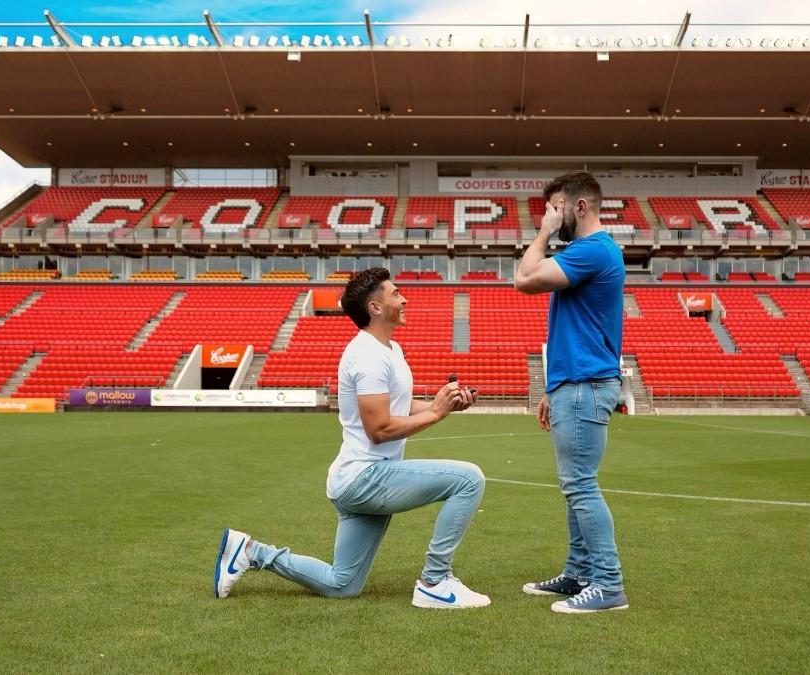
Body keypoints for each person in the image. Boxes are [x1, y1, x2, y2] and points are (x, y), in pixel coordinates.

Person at [213, 267, 490, 609]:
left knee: (342, 584)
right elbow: (380, 429)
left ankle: (252, 552)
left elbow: (398, 406)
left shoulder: (389, 350)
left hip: (357, 480)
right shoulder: (368, 356)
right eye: (395, 293)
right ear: (375, 308)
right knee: (468, 479)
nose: (404, 298)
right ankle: (435, 582)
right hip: (365, 477)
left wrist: (441, 404)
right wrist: (435, 413)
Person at [514, 171, 628, 613]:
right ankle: (580, 572)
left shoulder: (592, 250)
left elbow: (523, 279)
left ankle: (608, 583)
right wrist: (551, 388)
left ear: (580, 207)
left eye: (556, 207)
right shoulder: (588, 251)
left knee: (580, 485)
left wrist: (542, 233)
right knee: (574, 485)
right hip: (573, 382)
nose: (550, 215)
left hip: (585, 384)